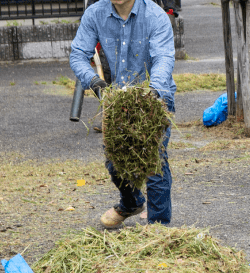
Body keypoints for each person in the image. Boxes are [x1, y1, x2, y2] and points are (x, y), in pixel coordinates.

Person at [70, 0, 177, 228]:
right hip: (118, 99)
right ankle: (132, 203)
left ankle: (158, 228)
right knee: (115, 161)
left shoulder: (156, 17)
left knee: (153, 163)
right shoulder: (95, 14)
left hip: (153, 98)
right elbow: (78, 55)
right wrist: (93, 80)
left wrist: (153, 91)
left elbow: (163, 59)